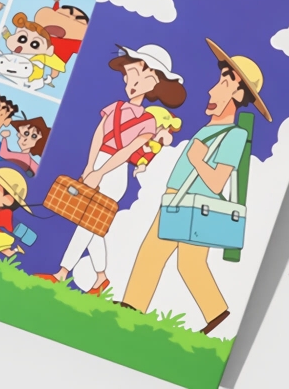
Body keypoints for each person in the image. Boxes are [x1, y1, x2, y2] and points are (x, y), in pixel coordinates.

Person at [117, 40, 271, 335]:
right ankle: (214, 312)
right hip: (181, 200)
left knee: (161, 256)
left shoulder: (234, 135)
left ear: (239, 94)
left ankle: (134, 309)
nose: (213, 90)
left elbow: (217, 181)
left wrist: (198, 159)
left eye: (224, 83)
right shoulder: (209, 128)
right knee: (185, 262)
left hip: (193, 205)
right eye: (218, 80)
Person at [37, 44, 186, 296]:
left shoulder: (148, 121)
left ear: (154, 81)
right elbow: (98, 136)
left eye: (140, 77)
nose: (131, 82)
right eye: (129, 75)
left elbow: (127, 151)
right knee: (95, 225)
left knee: (87, 224)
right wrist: (89, 166)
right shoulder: (115, 107)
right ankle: (101, 278)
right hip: (97, 164)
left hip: (116, 173)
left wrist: (100, 172)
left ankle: (62, 272)